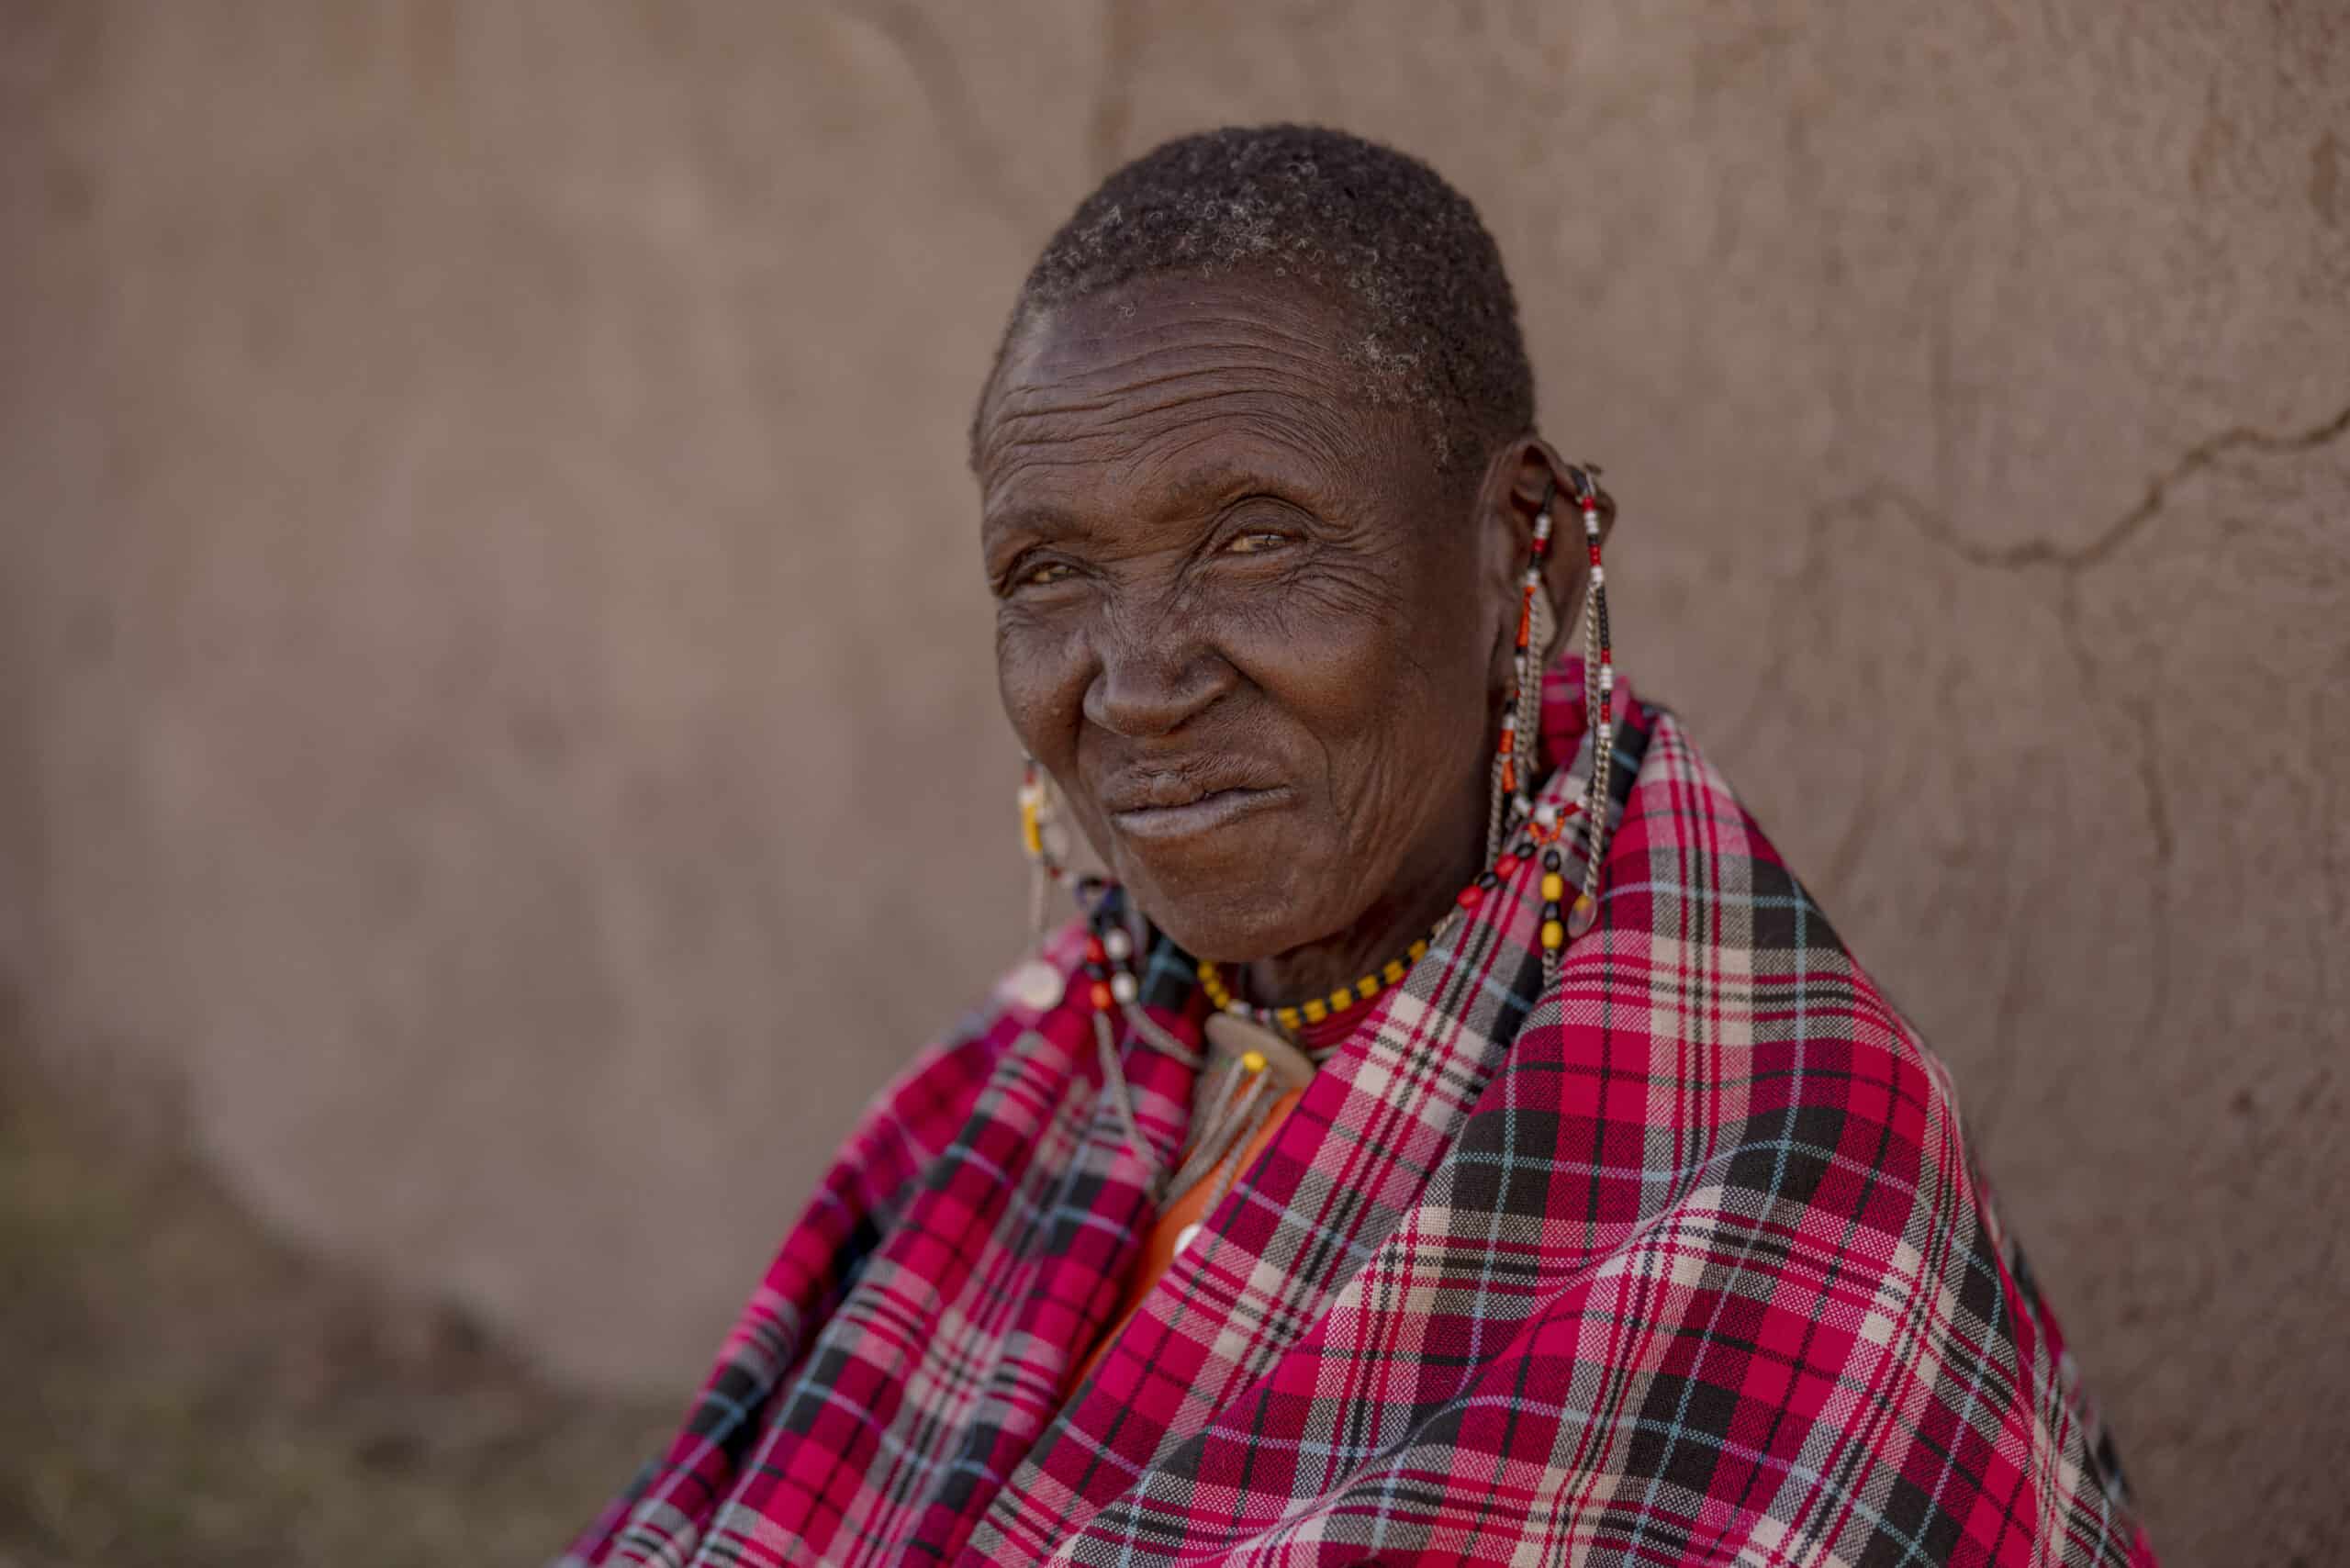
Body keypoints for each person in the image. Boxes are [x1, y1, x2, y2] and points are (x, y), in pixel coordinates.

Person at [562, 126, 2153, 1567]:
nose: (1135, 687)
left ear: (1529, 548)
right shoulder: (1035, 1079)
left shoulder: (1766, 1161)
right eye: (1048, 574)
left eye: (1254, 541)